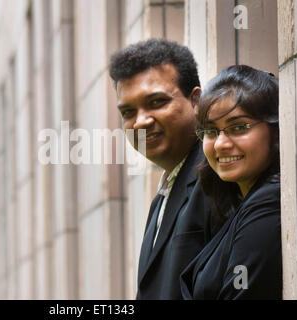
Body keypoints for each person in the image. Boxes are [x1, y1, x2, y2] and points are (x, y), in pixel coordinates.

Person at [109, 39, 221, 299]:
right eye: (128, 112)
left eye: (157, 102)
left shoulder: (219, 176)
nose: (140, 122)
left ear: (196, 101)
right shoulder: (163, 196)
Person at [180, 65, 282, 299]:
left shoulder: (269, 203)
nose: (220, 144)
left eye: (238, 127)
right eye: (211, 131)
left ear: (275, 131)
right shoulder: (243, 203)